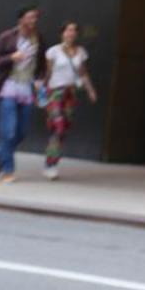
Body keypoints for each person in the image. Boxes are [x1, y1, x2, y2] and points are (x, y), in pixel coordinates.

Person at [0, 6, 46, 183]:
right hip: (9, 88)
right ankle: (7, 170)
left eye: (35, 17)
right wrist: (11, 57)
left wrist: (40, 80)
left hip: (27, 89)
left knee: (21, 133)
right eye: (30, 17)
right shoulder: (7, 37)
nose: (33, 21)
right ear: (21, 20)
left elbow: (41, 65)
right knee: (9, 131)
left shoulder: (39, 40)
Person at [41, 21, 97, 180]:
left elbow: (82, 72)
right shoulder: (53, 51)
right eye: (67, 30)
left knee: (62, 129)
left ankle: (51, 162)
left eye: (73, 30)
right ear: (62, 33)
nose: (70, 33)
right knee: (58, 126)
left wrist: (90, 90)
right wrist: (42, 92)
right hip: (55, 93)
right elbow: (48, 72)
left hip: (70, 93)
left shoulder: (81, 52)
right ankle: (50, 164)